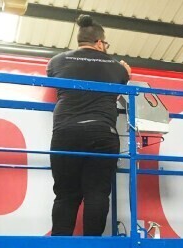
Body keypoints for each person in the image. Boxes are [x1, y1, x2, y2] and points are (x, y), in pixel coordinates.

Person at [47, 14, 131, 236]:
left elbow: (55, 80)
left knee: (66, 194)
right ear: (100, 43)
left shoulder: (56, 61)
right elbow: (120, 88)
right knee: (97, 193)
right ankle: (93, 246)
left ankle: (60, 246)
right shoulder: (118, 68)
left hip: (65, 132)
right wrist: (126, 74)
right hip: (102, 132)